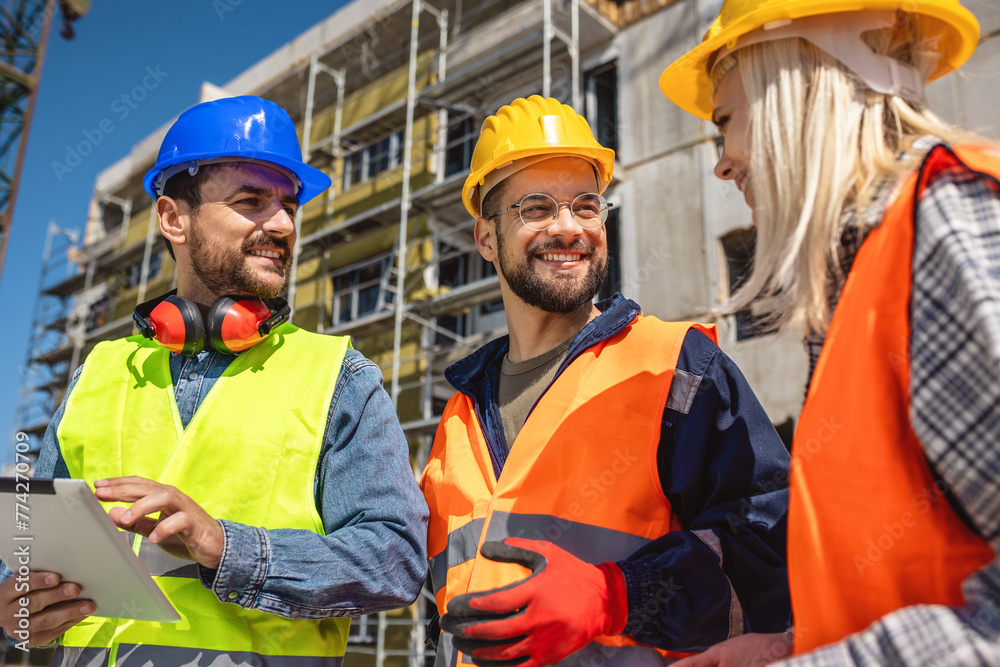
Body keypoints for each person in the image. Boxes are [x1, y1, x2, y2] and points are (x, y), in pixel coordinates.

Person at [0, 95, 428, 665]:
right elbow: (31, 548)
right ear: (173, 218)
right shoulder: (97, 374)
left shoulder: (340, 377)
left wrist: (227, 548)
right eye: (251, 200)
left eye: (289, 205)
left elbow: (394, 562)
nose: (281, 223)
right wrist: (18, 611)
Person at [660, 0, 1000, 664]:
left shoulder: (948, 227)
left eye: (724, 121)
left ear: (799, 80)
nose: (722, 164)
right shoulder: (875, 264)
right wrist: (793, 646)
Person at [420, 95, 793, 667]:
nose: (569, 228)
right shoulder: (460, 416)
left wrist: (623, 596)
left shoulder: (675, 365)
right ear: (486, 238)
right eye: (536, 208)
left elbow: (768, 551)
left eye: (587, 206)